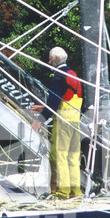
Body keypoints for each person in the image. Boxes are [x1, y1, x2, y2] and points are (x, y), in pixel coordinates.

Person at [30, 46, 83, 199]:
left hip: (63, 121)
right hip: (75, 121)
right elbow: (67, 99)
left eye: (50, 59)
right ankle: (75, 192)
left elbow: (53, 104)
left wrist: (39, 120)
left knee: (59, 156)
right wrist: (43, 107)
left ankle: (62, 193)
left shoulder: (58, 77)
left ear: (56, 59)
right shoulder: (74, 75)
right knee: (73, 157)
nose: (48, 62)